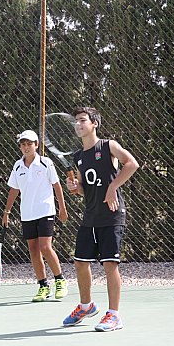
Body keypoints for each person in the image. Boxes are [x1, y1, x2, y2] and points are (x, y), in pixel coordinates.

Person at [62, 106, 139, 332]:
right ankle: (86, 306)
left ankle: (114, 315)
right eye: (76, 121)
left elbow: (132, 164)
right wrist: (75, 188)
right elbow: (85, 188)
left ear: (94, 123)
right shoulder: (79, 157)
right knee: (80, 262)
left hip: (112, 215)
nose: (78, 124)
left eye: (83, 120)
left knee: (109, 264)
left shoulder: (108, 146)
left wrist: (113, 186)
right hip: (91, 216)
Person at [2, 129, 69, 302]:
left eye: (29, 144)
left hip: (45, 211)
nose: (26, 147)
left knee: (45, 247)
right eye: (23, 144)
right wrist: (7, 212)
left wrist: (62, 208)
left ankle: (60, 281)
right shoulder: (17, 166)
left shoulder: (46, 163)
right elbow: (14, 190)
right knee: (33, 250)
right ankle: (43, 286)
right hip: (27, 214)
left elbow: (57, 185)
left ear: (36, 145)